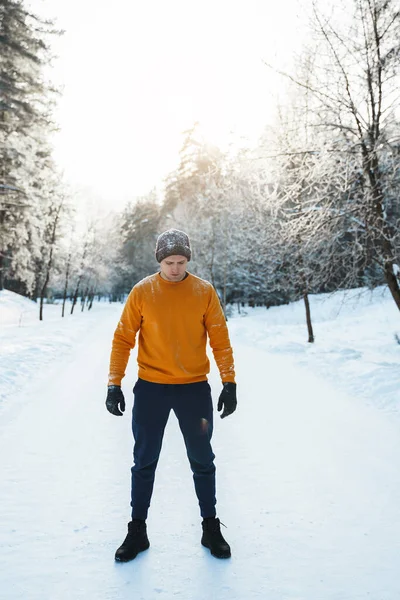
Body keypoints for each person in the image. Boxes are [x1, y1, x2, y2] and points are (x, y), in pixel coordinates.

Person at [106, 228, 237, 562]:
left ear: (187, 260)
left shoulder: (204, 292)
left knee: (202, 460)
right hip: (151, 389)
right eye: (168, 262)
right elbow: (123, 339)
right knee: (144, 461)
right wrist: (114, 383)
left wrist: (229, 382)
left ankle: (211, 526)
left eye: (180, 261)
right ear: (159, 260)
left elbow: (219, 340)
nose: (175, 268)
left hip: (194, 389)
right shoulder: (143, 291)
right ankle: (138, 529)